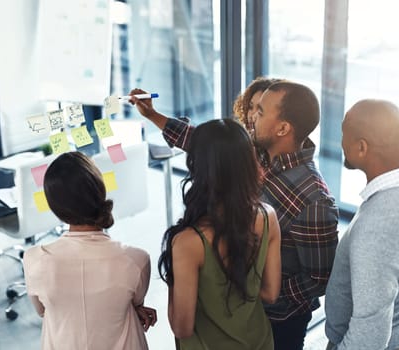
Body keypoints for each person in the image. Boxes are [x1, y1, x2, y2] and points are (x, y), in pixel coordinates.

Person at [129, 80, 339, 350]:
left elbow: (319, 278)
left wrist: (244, 290)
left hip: (279, 321)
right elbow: (207, 144)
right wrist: (153, 115)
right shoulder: (253, 152)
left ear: (283, 128)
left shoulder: (314, 199)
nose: (251, 116)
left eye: (260, 111)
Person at [325, 99, 399, 350]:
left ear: (361, 147)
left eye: (344, 135)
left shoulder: (377, 227)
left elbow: (368, 336)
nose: (341, 143)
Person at [158, 118, 281, 349]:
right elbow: (270, 293)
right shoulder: (267, 217)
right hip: (259, 341)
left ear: (198, 167)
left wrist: (173, 276)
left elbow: (181, 327)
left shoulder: (188, 242)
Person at [23, 152, 156, 350]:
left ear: (54, 207)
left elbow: (43, 310)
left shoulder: (34, 260)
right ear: (100, 191)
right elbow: (132, 301)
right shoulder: (136, 260)